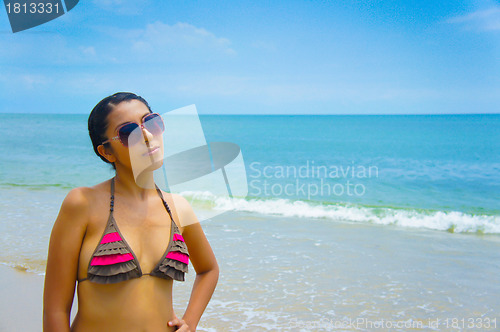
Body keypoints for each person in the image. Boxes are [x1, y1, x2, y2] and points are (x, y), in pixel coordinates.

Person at [43, 92, 219, 331]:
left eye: (151, 122)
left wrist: (190, 321)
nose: (146, 135)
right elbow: (56, 309)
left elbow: (208, 270)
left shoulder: (178, 208)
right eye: (128, 133)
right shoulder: (82, 204)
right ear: (107, 152)